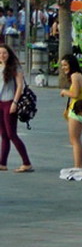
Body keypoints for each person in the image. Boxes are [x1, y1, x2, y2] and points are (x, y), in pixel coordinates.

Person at [0, 44, 33, 173]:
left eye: (4, 53)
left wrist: (15, 102)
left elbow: (20, 86)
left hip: (9, 101)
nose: (2, 56)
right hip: (0, 103)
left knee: (11, 134)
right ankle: (2, 163)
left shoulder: (15, 67)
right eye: (0, 53)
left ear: (9, 54)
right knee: (3, 134)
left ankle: (26, 162)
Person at [59, 55, 82, 169]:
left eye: (66, 65)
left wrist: (64, 92)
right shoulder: (80, 75)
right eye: (62, 65)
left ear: (72, 64)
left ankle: (78, 166)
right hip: (80, 109)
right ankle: (79, 165)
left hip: (76, 110)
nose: (63, 68)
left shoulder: (74, 76)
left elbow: (75, 94)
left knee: (75, 140)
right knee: (76, 139)